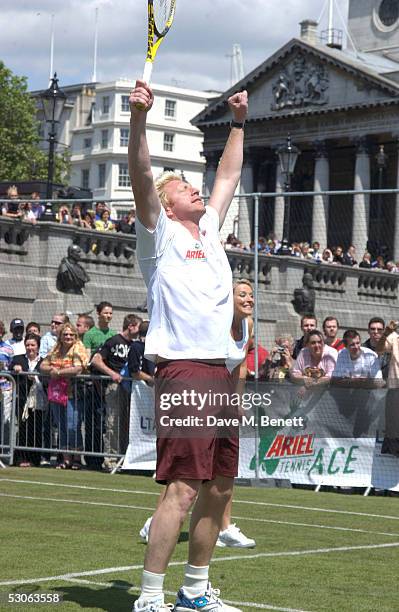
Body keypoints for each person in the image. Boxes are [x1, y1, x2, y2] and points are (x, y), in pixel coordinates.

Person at [129, 77, 247, 612]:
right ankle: (150, 597)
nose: (195, 189)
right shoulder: (160, 236)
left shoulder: (211, 231)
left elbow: (227, 173)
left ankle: (194, 593)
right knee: (181, 490)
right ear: (167, 205)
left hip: (221, 373)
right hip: (183, 371)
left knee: (219, 490)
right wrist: (137, 118)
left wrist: (239, 122)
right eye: (183, 188)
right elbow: (142, 174)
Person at [139, 281, 256, 551]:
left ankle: (224, 527)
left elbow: (240, 367)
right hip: (199, 395)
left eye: (251, 295)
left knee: (223, 474)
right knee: (187, 472)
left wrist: (236, 401)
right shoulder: (214, 321)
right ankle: (155, 522)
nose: (248, 299)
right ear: (228, 298)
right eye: (242, 294)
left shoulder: (248, 326)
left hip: (223, 399)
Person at [91, 314, 141, 468]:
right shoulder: (114, 341)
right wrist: (112, 373)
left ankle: (125, 459)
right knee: (113, 422)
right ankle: (110, 459)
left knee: (128, 424)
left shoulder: (136, 345)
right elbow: (96, 360)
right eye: (139, 327)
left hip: (131, 388)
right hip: (115, 387)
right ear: (131, 326)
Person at [40, 323, 88, 469]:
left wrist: (59, 373)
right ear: (61, 336)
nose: (68, 337)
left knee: (73, 426)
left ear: (75, 336)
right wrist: (52, 369)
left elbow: (79, 369)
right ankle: (66, 459)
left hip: (74, 393)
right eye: (65, 334)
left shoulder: (79, 347)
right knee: (61, 426)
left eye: (71, 334)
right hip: (57, 393)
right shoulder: (56, 348)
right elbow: (43, 366)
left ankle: (77, 459)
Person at [11, 333, 43, 467]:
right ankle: (21, 458)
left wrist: (35, 377)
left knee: (36, 428)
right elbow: (11, 369)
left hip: (39, 400)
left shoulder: (44, 361)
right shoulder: (18, 359)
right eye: (28, 345)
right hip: (22, 399)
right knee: (23, 428)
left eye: (33, 345)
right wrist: (15, 368)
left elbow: (46, 378)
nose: (30, 348)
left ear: (38, 347)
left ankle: (35, 458)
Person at [376, 320, 399, 456]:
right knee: (394, 431)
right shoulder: (394, 337)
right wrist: (386, 333)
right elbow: (379, 349)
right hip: (395, 390)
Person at [362, 317, 390, 381]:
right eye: (373, 329)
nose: (376, 332)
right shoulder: (361, 349)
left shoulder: (390, 350)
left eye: (379, 329)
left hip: (387, 386)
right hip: (366, 386)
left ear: (383, 331)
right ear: (368, 331)